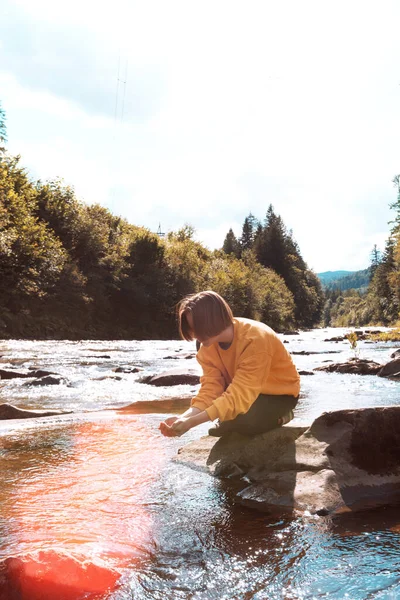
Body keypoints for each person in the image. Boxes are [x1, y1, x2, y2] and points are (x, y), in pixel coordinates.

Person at [159, 290, 300, 438]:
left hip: (281, 394)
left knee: (247, 423)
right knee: (228, 423)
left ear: (211, 320)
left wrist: (192, 423)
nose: (193, 334)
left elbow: (240, 394)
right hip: (247, 390)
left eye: (196, 327)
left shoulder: (255, 339)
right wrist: (184, 418)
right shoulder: (206, 345)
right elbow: (211, 388)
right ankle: (232, 422)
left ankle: (284, 415)